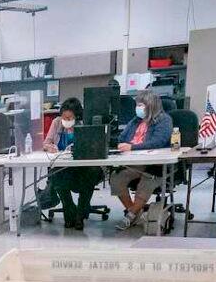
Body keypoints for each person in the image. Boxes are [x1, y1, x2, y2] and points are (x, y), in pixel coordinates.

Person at [110, 91, 174, 231]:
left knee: (146, 182)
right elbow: (122, 138)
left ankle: (130, 215)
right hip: (132, 162)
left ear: (150, 106)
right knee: (116, 178)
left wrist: (132, 146)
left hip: (154, 164)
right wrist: (122, 145)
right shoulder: (135, 121)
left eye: (140, 105)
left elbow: (158, 142)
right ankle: (136, 213)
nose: (137, 108)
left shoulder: (164, 120)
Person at [42, 98, 102, 232]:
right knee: (56, 175)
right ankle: (69, 210)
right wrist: (49, 147)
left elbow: (94, 147)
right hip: (63, 165)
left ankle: (80, 215)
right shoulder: (57, 122)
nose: (66, 120)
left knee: (90, 174)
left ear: (77, 117)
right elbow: (46, 143)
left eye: (69, 118)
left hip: (83, 167)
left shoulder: (84, 124)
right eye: (64, 117)